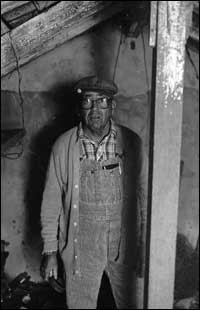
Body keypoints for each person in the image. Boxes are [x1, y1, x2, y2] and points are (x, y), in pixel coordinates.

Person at [40, 76, 148, 309]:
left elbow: (146, 196)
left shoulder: (131, 142)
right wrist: (50, 250)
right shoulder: (63, 146)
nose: (95, 109)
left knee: (134, 302)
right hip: (81, 244)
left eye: (102, 101)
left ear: (112, 106)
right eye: (88, 102)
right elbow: (51, 201)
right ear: (80, 108)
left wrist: (145, 244)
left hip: (124, 243)